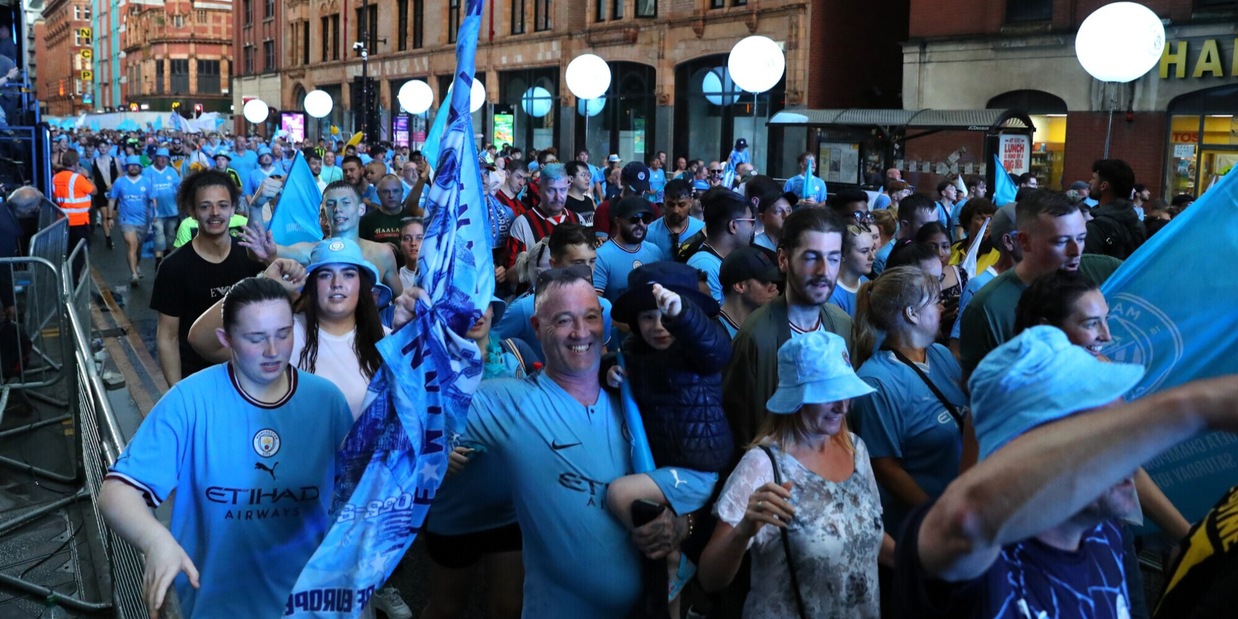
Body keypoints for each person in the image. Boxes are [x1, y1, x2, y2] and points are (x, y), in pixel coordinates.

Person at [892, 326, 1238, 619]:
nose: (1126, 457)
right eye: (1101, 431)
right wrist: (1194, 409)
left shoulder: (1104, 530)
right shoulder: (978, 559)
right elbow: (967, 520)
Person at [444, 266, 697, 617]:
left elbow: (698, 475)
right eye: (563, 320)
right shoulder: (509, 403)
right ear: (536, 327)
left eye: (591, 316)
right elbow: (405, 420)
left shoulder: (638, 388)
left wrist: (684, 522)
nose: (581, 332)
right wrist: (414, 334)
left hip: (650, 607)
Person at [99, 276, 353, 618]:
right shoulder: (190, 401)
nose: (273, 351)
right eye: (255, 338)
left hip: (310, 606)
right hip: (216, 607)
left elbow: (355, 498)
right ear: (226, 339)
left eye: (283, 333)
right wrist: (156, 540)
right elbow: (117, 491)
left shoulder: (326, 402)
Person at [699, 331, 890, 618]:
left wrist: (925, 559)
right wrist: (743, 532)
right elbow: (709, 578)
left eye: (845, 392)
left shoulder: (856, 450)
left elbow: (864, 534)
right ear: (796, 399)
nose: (843, 405)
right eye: (829, 394)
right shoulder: (762, 465)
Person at [604, 262, 733, 615]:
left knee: (620, 493)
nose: (658, 326)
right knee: (665, 586)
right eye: (647, 317)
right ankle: (674, 565)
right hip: (663, 470)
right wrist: (608, 374)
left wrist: (682, 315)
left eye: (665, 316)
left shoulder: (698, 352)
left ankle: (677, 555)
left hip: (698, 469)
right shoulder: (634, 354)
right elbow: (616, 368)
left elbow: (715, 348)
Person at [421, 296, 535, 619]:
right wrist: (436, 452)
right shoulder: (431, 364)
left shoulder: (517, 355)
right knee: (446, 609)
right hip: (453, 511)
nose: (476, 314)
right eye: (465, 305)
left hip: (510, 509)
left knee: (509, 608)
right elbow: (403, 432)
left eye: (484, 303)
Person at [724, 208, 853, 452]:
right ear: (783, 259)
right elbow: (744, 428)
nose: (824, 271)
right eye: (811, 257)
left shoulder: (842, 325)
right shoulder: (756, 337)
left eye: (833, 258)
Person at [958, 189, 1122, 377]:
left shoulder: (1105, 270)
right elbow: (979, 392)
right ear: (1024, 241)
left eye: (1081, 238)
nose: (1076, 251)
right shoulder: (986, 309)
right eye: (1061, 241)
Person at [851, 266, 965, 534]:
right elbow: (886, 469)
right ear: (911, 314)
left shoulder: (940, 354)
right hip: (922, 530)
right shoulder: (876, 381)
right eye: (935, 302)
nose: (942, 308)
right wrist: (939, 518)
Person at [151, 171, 265, 386]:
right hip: (197, 379)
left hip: (250, 376)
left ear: (233, 209)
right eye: (205, 206)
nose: (215, 213)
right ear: (192, 211)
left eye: (223, 205)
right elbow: (167, 337)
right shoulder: (173, 267)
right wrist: (177, 392)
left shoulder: (250, 256)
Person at [241, 180, 404, 300]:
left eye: (346, 203)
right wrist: (256, 207)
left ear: (361, 209)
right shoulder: (311, 251)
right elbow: (259, 251)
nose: (338, 209)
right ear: (324, 211)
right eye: (331, 204)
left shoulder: (383, 252)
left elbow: (399, 299)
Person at [493, 223, 614, 362]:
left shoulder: (603, 308)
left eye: (592, 261)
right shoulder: (525, 309)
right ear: (554, 264)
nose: (588, 270)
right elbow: (489, 346)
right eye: (578, 263)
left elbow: (601, 351)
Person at [503, 163, 579, 280]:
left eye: (563, 190)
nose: (558, 197)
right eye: (551, 190)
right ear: (538, 189)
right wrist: (535, 261)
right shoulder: (522, 224)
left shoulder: (578, 220)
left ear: (568, 187)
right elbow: (509, 275)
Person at [687, 188, 757, 305]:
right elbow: (713, 319)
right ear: (733, 226)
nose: (753, 228)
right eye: (751, 222)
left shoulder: (725, 259)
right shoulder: (705, 265)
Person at [593, 196, 665, 305]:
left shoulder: (655, 251)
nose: (640, 224)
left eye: (645, 218)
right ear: (617, 221)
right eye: (634, 218)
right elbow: (596, 306)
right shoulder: (601, 256)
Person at [1085, 158, 1146, 260]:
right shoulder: (1139, 225)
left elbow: (1088, 269)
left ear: (1104, 185)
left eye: (1094, 178)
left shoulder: (1095, 228)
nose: (1090, 181)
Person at [109, 155, 155, 284]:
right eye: (131, 165)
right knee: (131, 245)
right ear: (126, 167)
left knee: (138, 248)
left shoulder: (146, 181)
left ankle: (137, 266)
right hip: (126, 219)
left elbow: (153, 199)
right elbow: (112, 200)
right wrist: (109, 217)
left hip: (143, 221)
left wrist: (154, 214)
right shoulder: (120, 182)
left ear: (140, 168)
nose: (133, 167)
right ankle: (134, 274)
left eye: (136, 165)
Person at [716, 247, 781, 339]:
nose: (774, 287)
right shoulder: (714, 335)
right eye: (765, 281)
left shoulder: (768, 323)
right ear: (740, 286)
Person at [51, 149, 96, 276]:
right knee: (79, 254)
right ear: (76, 163)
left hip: (62, 221)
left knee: (67, 252)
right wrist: (87, 176)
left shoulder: (55, 177)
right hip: (79, 221)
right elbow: (94, 191)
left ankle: (65, 278)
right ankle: (73, 281)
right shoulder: (77, 178)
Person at [873, 192, 937, 276]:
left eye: (935, 223)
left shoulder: (932, 249)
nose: (933, 229)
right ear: (905, 224)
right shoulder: (884, 257)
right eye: (926, 225)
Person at [645, 178, 703, 259]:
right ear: (664, 201)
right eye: (671, 204)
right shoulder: (649, 233)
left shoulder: (701, 230)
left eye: (681, 205)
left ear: (690, 202)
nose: (676, 210)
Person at [145, 147, 183, 270]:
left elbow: (179, 189)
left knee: (171, 235)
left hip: (172, 211)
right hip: (156, 212)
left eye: (165, 158)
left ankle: (166, 254)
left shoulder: (172, 172)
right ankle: (158, 260)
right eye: (160, 157)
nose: (162, 160)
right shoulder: (146, 172)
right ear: (155, 158)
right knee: (159, 234)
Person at [827, 222, 875, 317]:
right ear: (843, 254)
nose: (872, 257)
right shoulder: (832, 295)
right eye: (864, 251)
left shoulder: (865, 282)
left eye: (872, 249)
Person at [746, 176, 795, 257]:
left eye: (789, 210)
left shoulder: (798, 243)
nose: (786, 216)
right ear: (763, 217)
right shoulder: (755, 248)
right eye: (779, 211)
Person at [91, 139, 122, 250]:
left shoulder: (115, 160)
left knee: (111, 215)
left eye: (105, 146)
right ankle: (108, 238)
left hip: (113, 190)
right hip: (101, 190)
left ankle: (109, 227)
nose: (103, 149)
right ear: (98, 148)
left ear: (109, 147)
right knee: (104, 215)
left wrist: (113, 185)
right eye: (100, 147)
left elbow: (120, 174)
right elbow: (94, 176)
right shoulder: (94, 161)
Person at [564, 160, 598, 231]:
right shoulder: (564, 201)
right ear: (571, 178)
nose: (588, 178)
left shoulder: (589, 200)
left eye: (588, 175)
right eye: (583, 175)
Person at [397, 216, 424, 291]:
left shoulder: (439, 277)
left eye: (419, 238)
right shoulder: (395, 279)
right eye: (407, 238)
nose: (413, 243)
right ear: (400, 244)